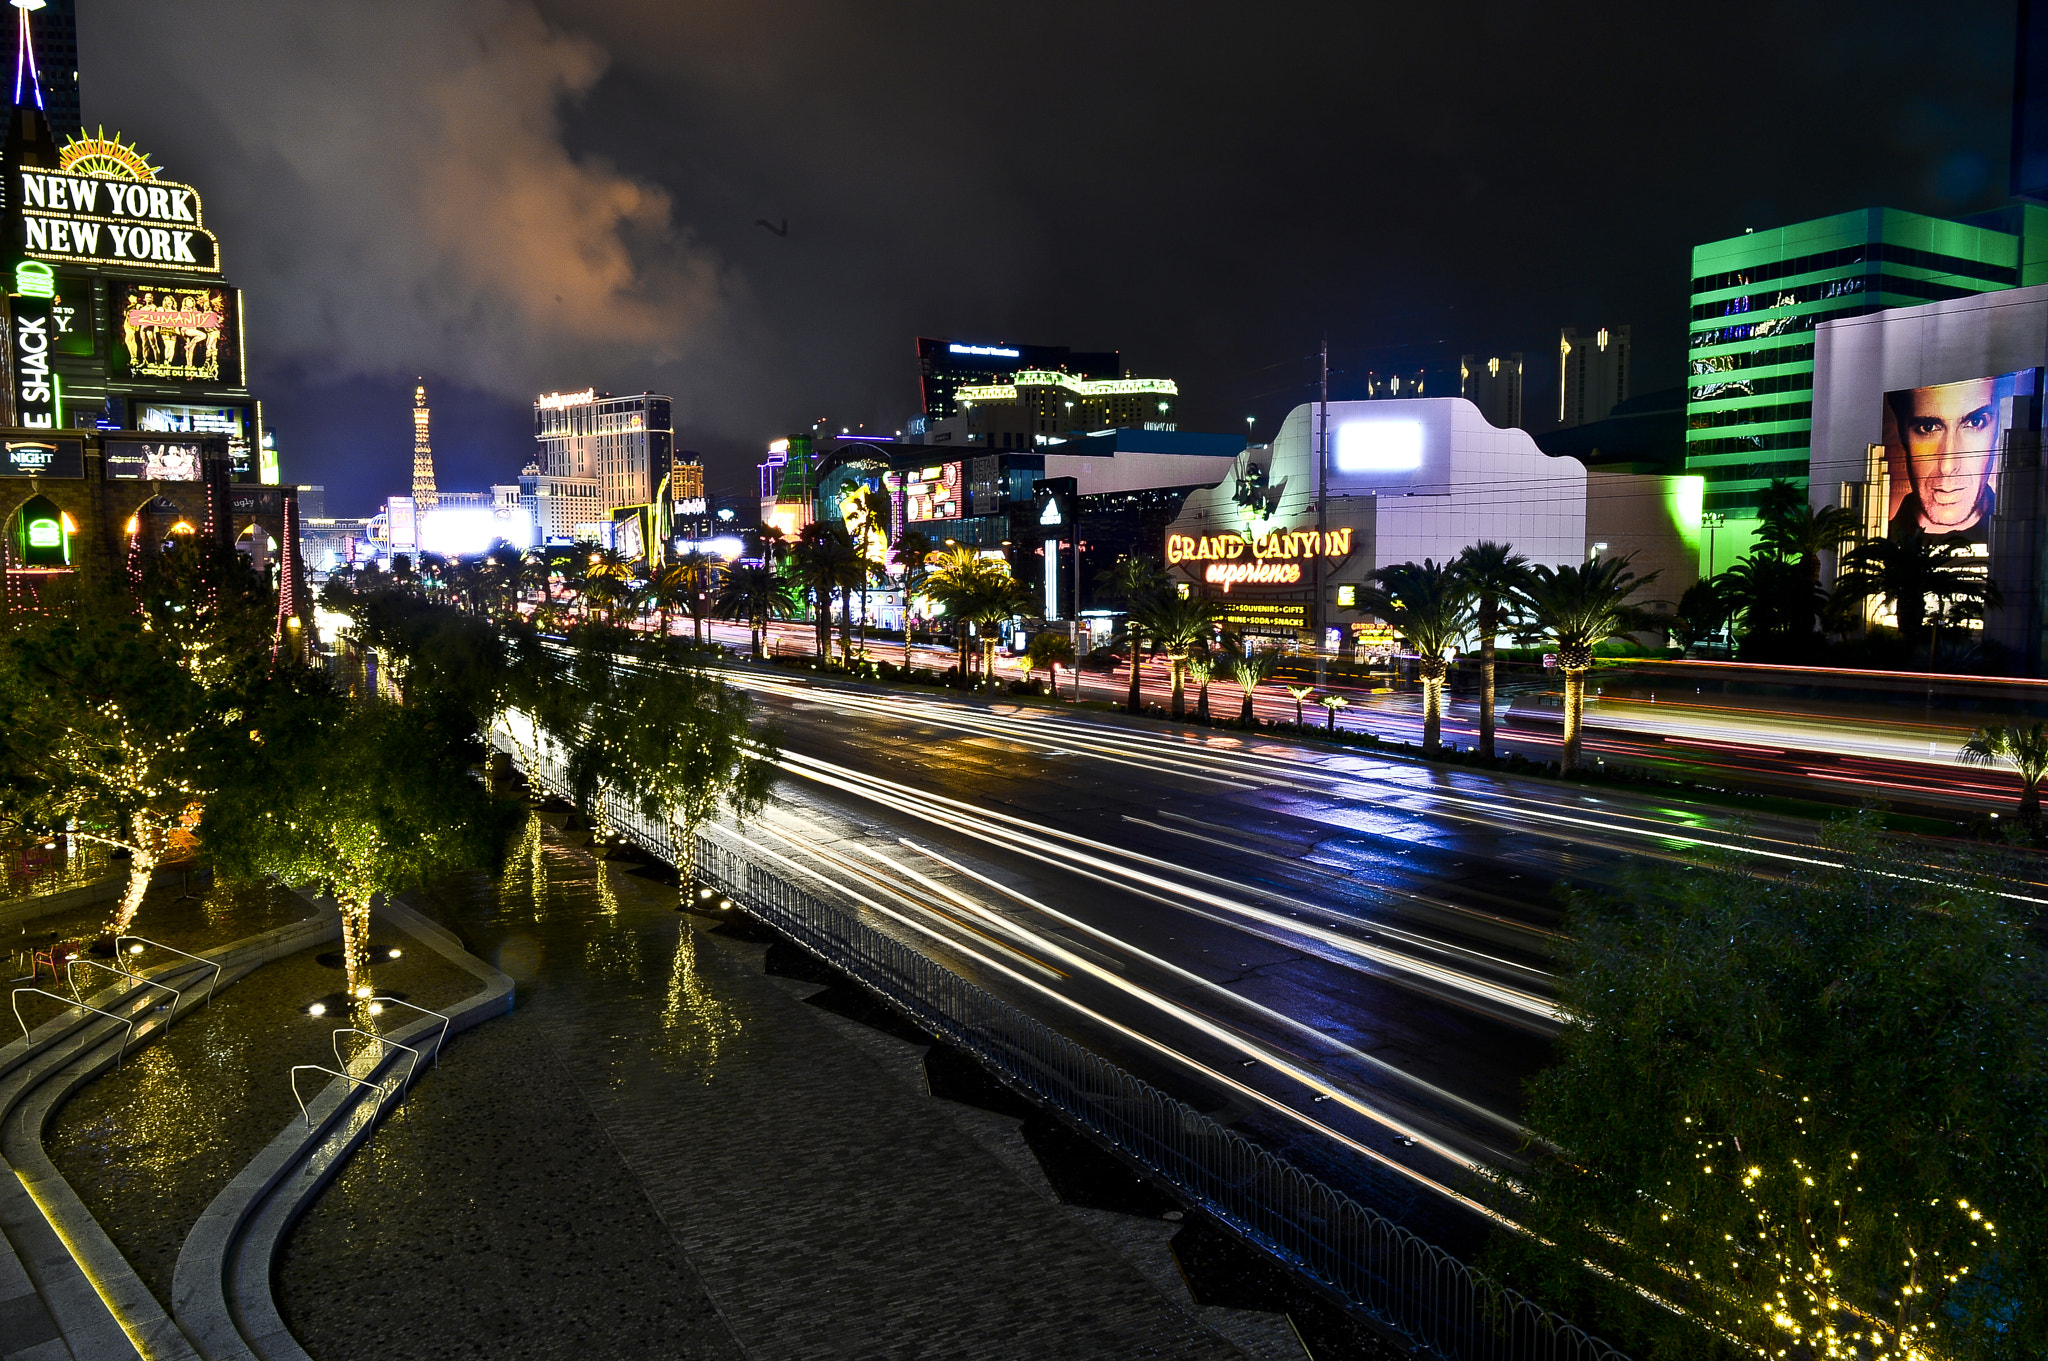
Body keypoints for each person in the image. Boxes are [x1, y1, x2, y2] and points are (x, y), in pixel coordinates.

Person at [1885, 373, 2003, 539]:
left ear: (1997, 427)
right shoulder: (1878, 545)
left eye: (1975, 422)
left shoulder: (2020, 538)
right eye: (1928, 427)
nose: (1948, 466)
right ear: (1901, 433)